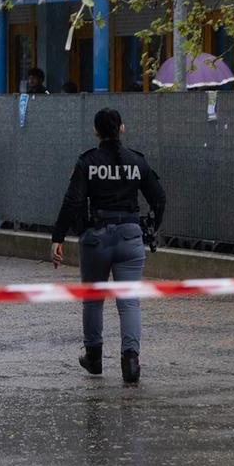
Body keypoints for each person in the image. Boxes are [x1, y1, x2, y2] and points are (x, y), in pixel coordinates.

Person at [50, 108, 166, 384]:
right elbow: (159, 198)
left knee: (93, 299)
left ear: (96, 131)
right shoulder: (136, 161)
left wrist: (58, 236)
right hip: (129, 235)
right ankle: (131, 362)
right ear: (121, 129)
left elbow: (72, 201)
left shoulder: (87, 162)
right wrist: (152, 228)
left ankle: (94, 358)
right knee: (129, 302)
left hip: (96, 238)